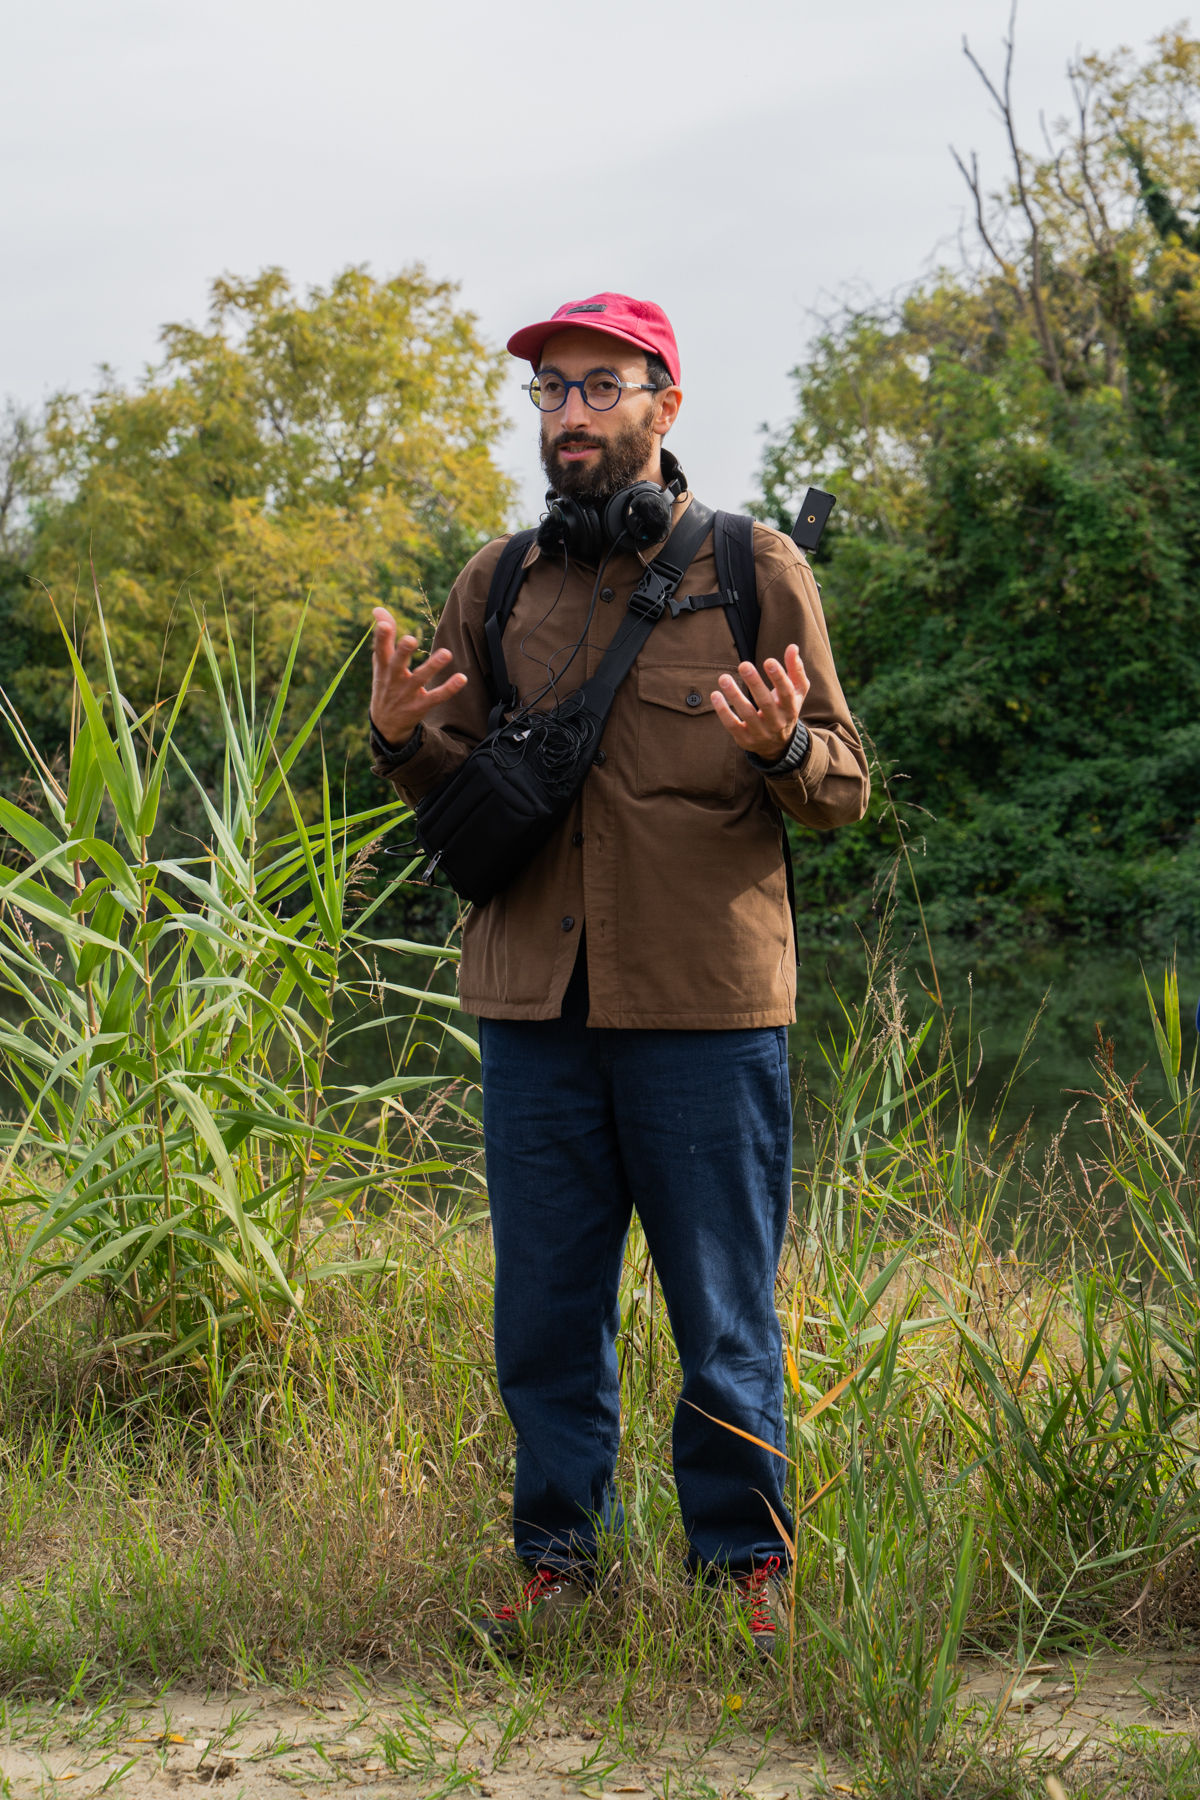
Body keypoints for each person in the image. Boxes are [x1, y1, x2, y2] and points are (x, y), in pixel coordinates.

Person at [369, 293, 869, 1656]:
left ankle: (741, 1576)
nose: (570, 414)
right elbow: (463, 789)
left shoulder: (754, 568)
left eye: (600, 387)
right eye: (549, 393)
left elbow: (842, 790)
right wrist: (405, 739)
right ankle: (555, 1562)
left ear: (666, 401)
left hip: (706, 1009)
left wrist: (780, 752)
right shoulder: (497, 583)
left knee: (723, 1312)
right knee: (543, 1310)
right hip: (533, 1006)